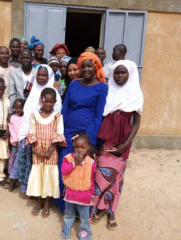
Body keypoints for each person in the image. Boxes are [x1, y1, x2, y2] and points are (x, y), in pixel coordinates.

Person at [91, 60, 143, 230]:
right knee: (100, 175)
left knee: (116, 178)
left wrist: (126, 144)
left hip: (122, 141)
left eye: (123, 73)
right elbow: (100, 116)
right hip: (105, 139)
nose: (119, 76)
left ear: (130, 74)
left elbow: (136, 122)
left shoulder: (136, 94)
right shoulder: (108, 91)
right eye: (117, 73)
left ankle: (111, 210)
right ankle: (98, 208)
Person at [53, 52, 108, 212]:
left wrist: (90, 140)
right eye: (82, 66)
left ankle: (81, 209)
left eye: (89, 65)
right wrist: (60, 133)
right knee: (65, 165)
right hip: (69, 132)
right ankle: (65, 207)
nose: (85, 69)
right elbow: (65, 109)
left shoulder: (102, 87)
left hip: (86, 135)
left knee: (83, 171)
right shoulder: (74, 84)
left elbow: (99, 115)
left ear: (96, 66)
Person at [9, 65, 62, 193]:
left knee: (40, 167)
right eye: (38, 74)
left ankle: (40, 193)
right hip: (27, 134)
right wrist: (22, 135)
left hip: (44, 139)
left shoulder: (53, 94)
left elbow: (55, 118)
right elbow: (27, 115)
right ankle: (28, 189)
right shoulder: (33, 91)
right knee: (26, 162)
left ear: (49, 76)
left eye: (44, 75)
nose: (40, 77)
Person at [26, 88, 66, 217]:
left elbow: (59, 133)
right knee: (38, 175)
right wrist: (34, 149)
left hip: (51, 152)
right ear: (41, 100)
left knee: (49, 176)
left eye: (51, 101)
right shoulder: (34, 115)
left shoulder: (57, 117)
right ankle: (39, 202)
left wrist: (50, 150)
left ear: (54, 102)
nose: (48, 104)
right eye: (45, 101)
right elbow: (32, 131)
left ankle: (47, 203)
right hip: (37, 150)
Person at [61, 132, 96, 240]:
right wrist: (74, 163)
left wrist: (92, 193)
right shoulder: (68, 158)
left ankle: (84, 234)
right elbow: (64, 171)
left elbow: (91, 179)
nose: (79, 150)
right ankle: (66, 231)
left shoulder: (91, 162)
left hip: (84, 197)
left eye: (82, 147)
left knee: (84, 218)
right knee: (68, 215)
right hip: (70, 195)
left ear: (88, 148)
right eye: (76, 147)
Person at [8, 98, 25, 191]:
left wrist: (21, 141)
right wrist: (16, 141)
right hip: (15, 145)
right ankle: (12, 180)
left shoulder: (26, 117)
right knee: (13, 161)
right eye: (16, 108)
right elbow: (12, 130)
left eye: (20, 108)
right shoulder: (13, 118)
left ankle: (19, 180)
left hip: (23, 145)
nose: (18, 110)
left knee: (20, 162)